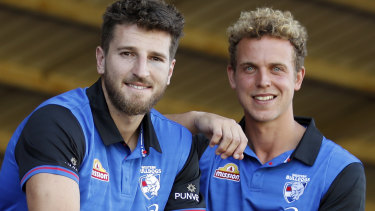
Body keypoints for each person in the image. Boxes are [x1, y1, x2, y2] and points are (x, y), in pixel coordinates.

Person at [0, 0, 247, 210]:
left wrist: (196, 118)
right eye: (127, 53)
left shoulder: (179, 146)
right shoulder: (57, 124)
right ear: (101, 59)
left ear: (170, 71)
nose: (141, 71)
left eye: (155, 58)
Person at [169, 7, 366, 211]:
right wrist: (196, 119)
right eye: (250, 68)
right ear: (232, 76)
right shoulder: (205, 148)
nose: (263, 81)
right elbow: (138, 131)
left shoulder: (340, 170)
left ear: (298, 77)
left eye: (276, 69)